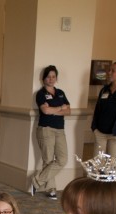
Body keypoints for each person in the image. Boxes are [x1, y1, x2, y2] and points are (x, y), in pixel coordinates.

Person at [30, 65, 70, 199]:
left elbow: (68, 111)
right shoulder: (41, 94)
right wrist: (60, 108)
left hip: (59, 130)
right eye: (48, 76)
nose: (51, 79)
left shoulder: (60, 93)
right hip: (46, 129)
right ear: (43, 78)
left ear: (56, 78)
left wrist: (53, 109)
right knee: (48, 160)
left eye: (53, 76)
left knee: (62, 159)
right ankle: (51, 189)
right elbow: (45, 111)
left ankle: (37, 182)